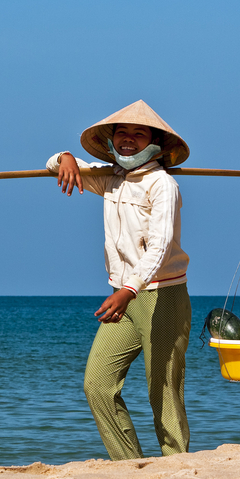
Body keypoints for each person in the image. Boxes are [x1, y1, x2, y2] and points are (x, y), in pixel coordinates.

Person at [46, 100, 192, 460]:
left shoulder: (163, 185)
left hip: (162, 295)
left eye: (138, 134)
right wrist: (64, 156)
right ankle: (130, 465)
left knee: (163, 391)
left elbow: (159, 248)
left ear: (154, 143)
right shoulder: (110, 179)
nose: (128, 140)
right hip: (123, 297)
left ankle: (177, 466)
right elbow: (58, 166)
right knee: (97, 384)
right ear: (111, 142)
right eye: (122, 134)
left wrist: (129, 289)